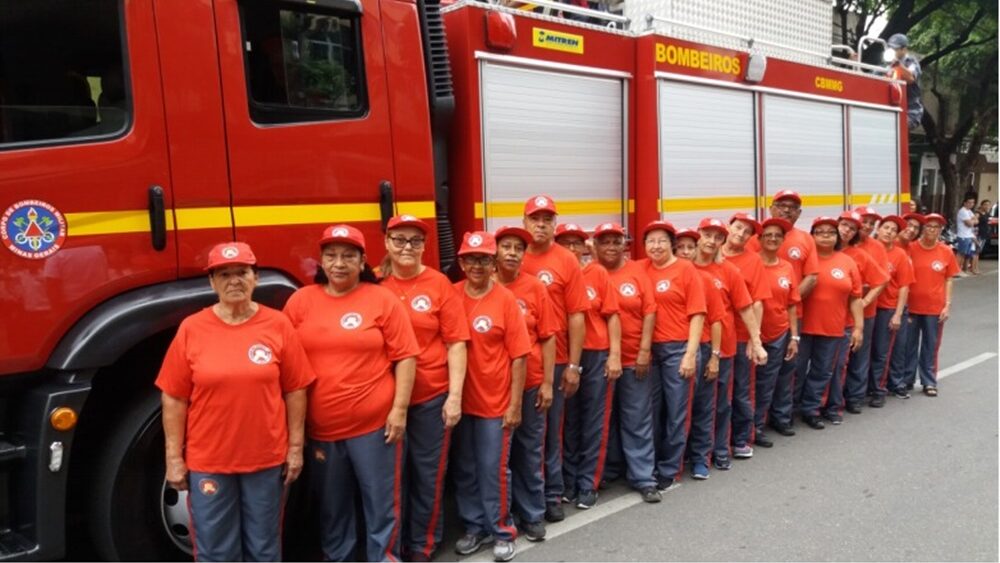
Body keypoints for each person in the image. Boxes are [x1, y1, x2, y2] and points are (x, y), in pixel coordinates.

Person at [157, 242, 315, 562]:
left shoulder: (277, 325)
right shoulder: (192, 329)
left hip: (266, 461)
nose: (234, 280)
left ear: (255, 277)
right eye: (224, 274)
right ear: (212, 282)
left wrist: (295, 448)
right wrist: (174, 458)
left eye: (242, 272)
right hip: (210, 462)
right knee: (216, 550)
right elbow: (174, 397)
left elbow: (296, 389)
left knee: (264, 547)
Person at [283, 225, 419, 562]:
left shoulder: (381, 299)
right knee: (333, 508)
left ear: (362, 262)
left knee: (381, 504)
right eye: (331, 255)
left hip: (375, 429)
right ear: (321, 262)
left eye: (348, 256)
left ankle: (385, 558)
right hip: (322, 431)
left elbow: (405, 357)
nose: (339, 263)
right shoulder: (300, 302)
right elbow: (284, 361)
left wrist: (399, 410)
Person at [379, 215, 470, 561]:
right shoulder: (374, 283)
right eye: (400, 239)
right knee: (390, 480)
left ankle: (422, 545)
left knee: (428, 474)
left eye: (415, 241)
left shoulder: (438, 284)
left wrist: (455, 397)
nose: (407, 247)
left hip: (432, 397)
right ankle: (393, 546)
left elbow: (456, 342)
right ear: (387, 242)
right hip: (385, 403)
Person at [451, 231, 531, 562]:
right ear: (461, 262)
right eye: (471, 259)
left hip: (495, 404)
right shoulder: (451, 295)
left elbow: (520, 356)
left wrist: (514, 405)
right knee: (466, 469)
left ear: (493, 263)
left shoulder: (505, 300)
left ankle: (501, 530)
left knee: (493, 469)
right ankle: (475, 527)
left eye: (484, 259)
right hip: (460, 403)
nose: (477, 266)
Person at [519, 195, 589, 523]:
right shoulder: (513, 257)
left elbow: (577, 315)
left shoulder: (566, 260)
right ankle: (523, 497)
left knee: (550, 432)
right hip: (516, 363)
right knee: (522, 435)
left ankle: (552, 493)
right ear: (525, 223)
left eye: (548, 219)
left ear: (555, 225)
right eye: (536, 219)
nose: (541, 225)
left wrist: (574, 366)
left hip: (556, 360)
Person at [494, 225, 558, 542]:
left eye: (518, 248)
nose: (511, 253)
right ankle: (501, 517)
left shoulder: (535, 288)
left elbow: (547, 337)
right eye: (505, 246)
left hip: (531, 383)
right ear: (495, 251)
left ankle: (532, 514)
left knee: (530, 453)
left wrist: (547, 382)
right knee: (497, 460)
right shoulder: (482, 286)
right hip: (491, 390)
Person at [554, 223, 622, 509]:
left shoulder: (597, 273)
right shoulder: (555, 274)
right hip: (565, 356)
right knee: (568, 422)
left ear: (585, 247)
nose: (571, 248)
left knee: (594, 421)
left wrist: (615, 354)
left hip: (595, 354)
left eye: (576, 243)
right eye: (565, 243)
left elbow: (613, 316)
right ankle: (567, 481)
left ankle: (587, 483)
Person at [593, 222, 661, 502]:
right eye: (604, 241)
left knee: (637, 418)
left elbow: (649, 311)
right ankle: (609, 469)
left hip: (634, 358)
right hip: (600, 359)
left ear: (625, 245)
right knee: (603, 419)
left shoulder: (637, 271)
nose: (611, 246)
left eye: (616, 241)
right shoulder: (589, 274)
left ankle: (643, 476)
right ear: (594, 246)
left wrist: (644, 350)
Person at [641, 220, 706, 491]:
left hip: (679, 349)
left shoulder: (686, 270)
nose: (656, 246)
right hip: (649, 352)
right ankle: (650, 463)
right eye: (651, 241)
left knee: (677, 413)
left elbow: (698, 314)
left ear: (672, 245)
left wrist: (691, 354)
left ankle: (670, 468)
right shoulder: (641, 268)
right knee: (651, 412)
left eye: (662, 241)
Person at [796, 217, 863, 430]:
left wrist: (859, 328)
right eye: (820, 232)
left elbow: (856, 297)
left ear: (837, 237)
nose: (826, 235)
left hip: (833, 327)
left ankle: (811, 409)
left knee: (822, 371)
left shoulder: (847, 262)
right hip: (802, 327)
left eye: (830, 232)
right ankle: (788, 409)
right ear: (812, 236)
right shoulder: (805, 259)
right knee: (796, 370)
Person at [685, 222, 739, 479]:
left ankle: (709, 455)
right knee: (680, 409)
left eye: (718, 237)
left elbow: (725, 315)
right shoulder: (678, 269)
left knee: (712, 406)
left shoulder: (723, 272)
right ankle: (682, 456)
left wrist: (756, 341)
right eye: (706, 235)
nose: (710, 240)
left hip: (710, 348)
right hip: (674, 349)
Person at [720, 213, 770, 457]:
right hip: (714, 337)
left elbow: (758, 303)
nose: (740, 234)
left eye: (747, 232)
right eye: (738, 227)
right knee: (717, 393)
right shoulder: (711, 251)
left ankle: (740, 439)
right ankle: (717, 441)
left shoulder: (753, 261)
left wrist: (754, 338)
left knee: (741, 390)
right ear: (729, 227)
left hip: (741, 336)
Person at [835, 211, 888, 420]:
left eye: (852, 228)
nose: (847, 230)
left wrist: (866, 302)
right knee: (836, 360)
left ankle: (855, 397)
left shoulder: (863, 252)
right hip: (831, 315)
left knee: (858, 356)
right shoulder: (822, 248)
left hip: (860, 314)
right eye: (844, 225)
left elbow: (881, 279)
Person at [754, 218, 800, 447]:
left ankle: (778, 419)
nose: (772, 239)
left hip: (781, 332)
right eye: (768, 235)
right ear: (760, 239)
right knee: (758, 383)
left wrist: (794, 336)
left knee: (779, 379)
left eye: (777, 236)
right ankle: (755, 426)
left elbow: (792, 304)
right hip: (756, 335)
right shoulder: (752, 264)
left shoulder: (787, 267)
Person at [905, 213, 959, 397]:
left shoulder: (946, 251)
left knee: (931, 345)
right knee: (908, 345)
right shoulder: (911, 248)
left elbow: (949, 279)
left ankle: (929, 381)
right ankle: (907, 379)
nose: (931, 230)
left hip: (934, 309)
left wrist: (947, 304)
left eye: (936, 227)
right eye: (928, 226)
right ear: (922, 228)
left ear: (940, 230)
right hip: (911, 307)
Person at [869, 215, 915, 404]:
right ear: (878, 229)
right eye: (886, 228)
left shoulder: (900, 255)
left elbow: (904, 286)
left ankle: (879, 389)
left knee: (882, 352)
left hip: (888, 308)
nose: (889, 232)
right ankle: (865, 386)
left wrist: (898, 313)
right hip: (866, 308)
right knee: (865, 351)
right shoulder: (868, 249)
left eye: (893, 230)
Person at [887, 33, 923, 129]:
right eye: (890, 48)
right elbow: (873, 78)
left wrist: (897, 65)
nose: (892, 51)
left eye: (895, 49)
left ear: (904, 49)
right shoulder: (886, 63)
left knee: (896, 128)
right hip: (891, 108)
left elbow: (911, 78)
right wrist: (855, 63)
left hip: (910, 112)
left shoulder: (911, 62)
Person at [956, 193, 977, 275]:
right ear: (965, 203)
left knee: (965, 254)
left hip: (968, 235)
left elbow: (976, 220)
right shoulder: (963, 211)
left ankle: (960, 269)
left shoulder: (969, 211)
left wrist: (972, 220)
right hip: (963, 235)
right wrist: (972, 221)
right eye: (969, 202)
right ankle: (957, 270)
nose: (971, 204)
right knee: (960, 254)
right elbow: (969, 224)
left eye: (972, 202)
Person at [973, 199, 991, 275]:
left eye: (988, 205)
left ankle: (976, 268)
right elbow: (974, 223)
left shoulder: (986, 214)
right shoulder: (978, 213)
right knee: (976, 252)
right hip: (979, 235)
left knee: (978, 252)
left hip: (984, 235)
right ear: (982, 205)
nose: (987, 206)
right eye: (985, 204)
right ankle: (974, 269)